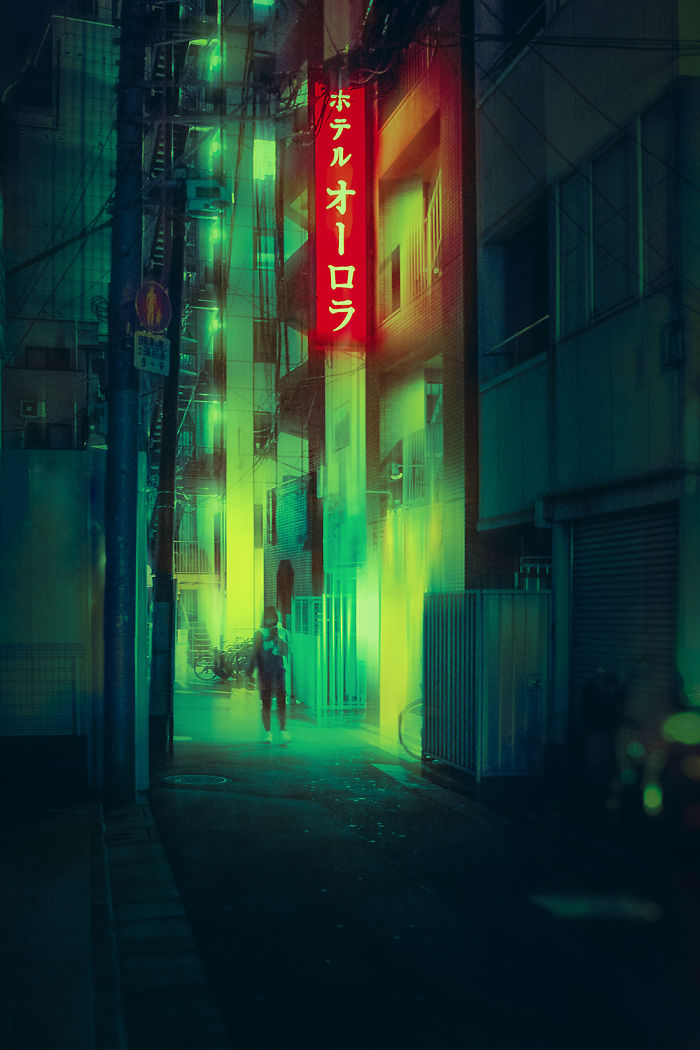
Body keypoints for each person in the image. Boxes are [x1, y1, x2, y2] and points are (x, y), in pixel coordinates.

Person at [248, 606, 290, 743]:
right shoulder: (259, 633)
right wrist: (248, 672)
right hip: (264, 673)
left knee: (281, 702)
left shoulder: (282, 632)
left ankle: (283, 730)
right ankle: (268, 732)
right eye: (269, 617)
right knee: (266, 703)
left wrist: (277, 638)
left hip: (278, 672)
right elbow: (255, 654)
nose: (271, 620)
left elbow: (286, 652)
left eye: (274, 617)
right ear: (264, 618)